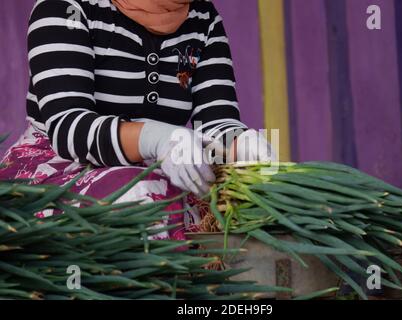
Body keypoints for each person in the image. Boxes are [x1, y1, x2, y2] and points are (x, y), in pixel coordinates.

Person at [0, 0, 275, 239]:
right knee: (143, 197)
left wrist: (241, 145)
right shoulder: (66, 7)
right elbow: (69, 127)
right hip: (62, 168)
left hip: (161, 165)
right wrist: (156, 138)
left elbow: (216, 123)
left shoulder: (203, 18)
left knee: (244, 208)